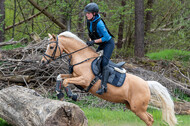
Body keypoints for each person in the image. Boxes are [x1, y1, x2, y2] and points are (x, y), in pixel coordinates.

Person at [84, 3, 115, 95]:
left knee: (104, 62)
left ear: (94, 13)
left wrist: (93, 42)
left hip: (108, 44)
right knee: (94, 60)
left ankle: (104, 86)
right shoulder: (89, 21)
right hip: (101, 43)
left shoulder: (100, 23)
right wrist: (90, 41)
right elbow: (91, 34)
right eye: (86, 13)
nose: (86, 14)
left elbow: (106, 37)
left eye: (88, 13)